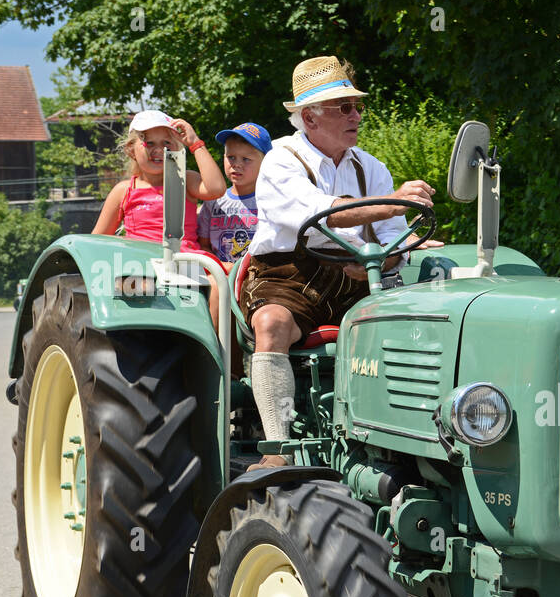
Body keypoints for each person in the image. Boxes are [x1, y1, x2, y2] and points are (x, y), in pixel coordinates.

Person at [241, 55, 441, 470]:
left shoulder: (372, 168)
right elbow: (324, 213)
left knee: (413, 327)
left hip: (358, 274)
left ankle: (407, 443)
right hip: (288, 273)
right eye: (344, 107)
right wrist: (391, 206)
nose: (356, 115)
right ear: (309, 118)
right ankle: (278, 449)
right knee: (272, 323)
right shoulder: (280, 160)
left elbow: (393, 241)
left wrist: (387, 261)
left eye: (358, 106)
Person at [92, 110, 228, 326]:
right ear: (131, 150)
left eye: (166, 142)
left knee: (222, 285)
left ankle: (212, 353)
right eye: (149, 143)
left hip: (184, 262)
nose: (159, 150)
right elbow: (97, 241)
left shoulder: (186, 178)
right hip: (142, 265)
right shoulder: (124, 190)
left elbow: (217, 188)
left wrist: (195, 143)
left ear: (176, 147)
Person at [197, 122, 271, 264]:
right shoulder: (214, 200)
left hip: (259, 275)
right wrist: (221, 268)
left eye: (246, 159)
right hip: (220, 275)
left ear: (266, 162)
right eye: (231, 157)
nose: (237, 164)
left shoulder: (270, 200)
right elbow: (204, 244)